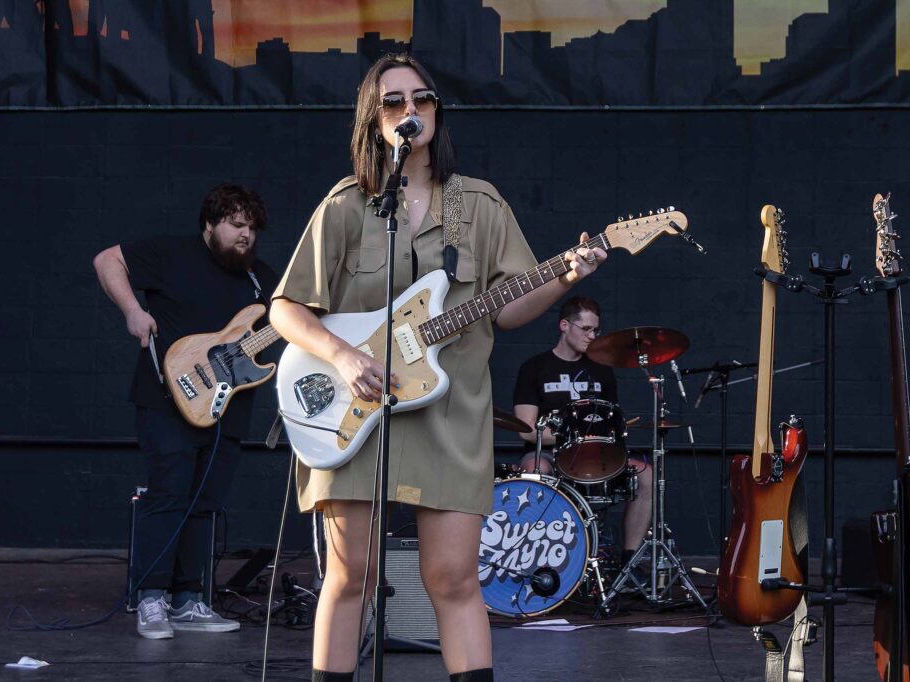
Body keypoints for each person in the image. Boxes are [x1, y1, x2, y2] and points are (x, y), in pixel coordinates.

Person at [268, 53, 606, 682]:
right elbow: (285, 309)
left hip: (450, 415)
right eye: (393, 102)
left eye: (421, 99)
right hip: (358, 405)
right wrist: (343, 358)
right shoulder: (347, 205)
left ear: (436, 112)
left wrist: (565, 277)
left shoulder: (479, 205)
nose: (410, 111)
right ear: (374, 120)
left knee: (452, 577)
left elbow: (507, 311)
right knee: (351, 576)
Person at [93, 183, 278, 639]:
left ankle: (189, 600)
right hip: (166, 397)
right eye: (236, 225)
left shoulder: (262, 278)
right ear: (211, 223)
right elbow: (106, 260)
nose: (245, 236)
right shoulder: (170, 253)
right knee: (168, 494)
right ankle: (151, 599)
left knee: (205, 503)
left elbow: (290, 325)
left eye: (252, 228)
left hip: (228, 407)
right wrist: (133, 311)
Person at [513, 296, 653, 572]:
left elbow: (612, 422)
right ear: (564, 325)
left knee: (646, 474)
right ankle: (537, 562)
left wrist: (597, 439)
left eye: (595, 330)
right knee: (533, 470)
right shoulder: (534, 367)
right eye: (586, 329)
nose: (592, 336)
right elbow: (528, 431)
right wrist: (573, 436)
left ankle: (630, 559)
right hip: (551, 454)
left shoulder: (602, 370)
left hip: (598, 455)